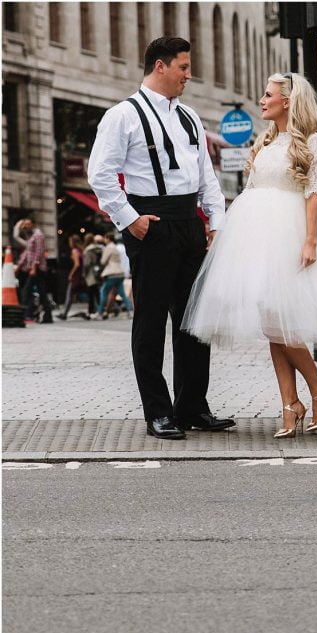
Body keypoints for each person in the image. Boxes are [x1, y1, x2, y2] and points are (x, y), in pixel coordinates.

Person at [183, 73, 317, 437]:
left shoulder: (312, 142)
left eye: (267, 95)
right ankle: (290, 404)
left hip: (289, 234)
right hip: (254, 236)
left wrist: (310, 240)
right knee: (272, 324)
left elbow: (314, 194)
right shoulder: (263, 141)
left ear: (288, 101)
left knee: (281, 321)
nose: (261, 101)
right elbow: (251, 190)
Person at [88, 36, 234, 439]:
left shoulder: (189, 116)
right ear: (160, 67)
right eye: (183, 67)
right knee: (150, 323)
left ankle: (192, 407)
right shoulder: (123, 115)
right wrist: (129, 219)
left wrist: (215, 221)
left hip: (189, 222)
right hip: (150, 222)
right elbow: (99, 173)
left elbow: (207, 176)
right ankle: (159, 412)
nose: (189, 74)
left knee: (193, 321)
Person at [14, 218, 52, 323]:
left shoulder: (38, 235)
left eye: (27, 224)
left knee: (26, 291)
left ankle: (27, 315)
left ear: (33, 224)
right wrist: (20, 266)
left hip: (38, 269)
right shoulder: (31, 236)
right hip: (34, 268)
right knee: (41, 292)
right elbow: (28, 252)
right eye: (24, 224)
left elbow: (39, 252)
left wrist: (34, 267)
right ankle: (47, 316)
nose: (25, 226)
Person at [56, 233, 93, 321]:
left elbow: (77, 264)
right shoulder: (82, 250)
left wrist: (71, 274)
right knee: (89, 293)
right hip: (82, 275)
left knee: (69, 294)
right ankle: (92, 311)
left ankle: (64, 313)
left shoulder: (74, 251)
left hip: (76, 276)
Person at [96, 236, 133, 319]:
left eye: (105, 238)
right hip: (120, 272)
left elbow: (103, 261)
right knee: (123, 294)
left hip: (112, 273)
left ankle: (100, 312)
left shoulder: (109, 247)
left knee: (103, 292)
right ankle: (130, 311)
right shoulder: (117, 248)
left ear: (108, 239)